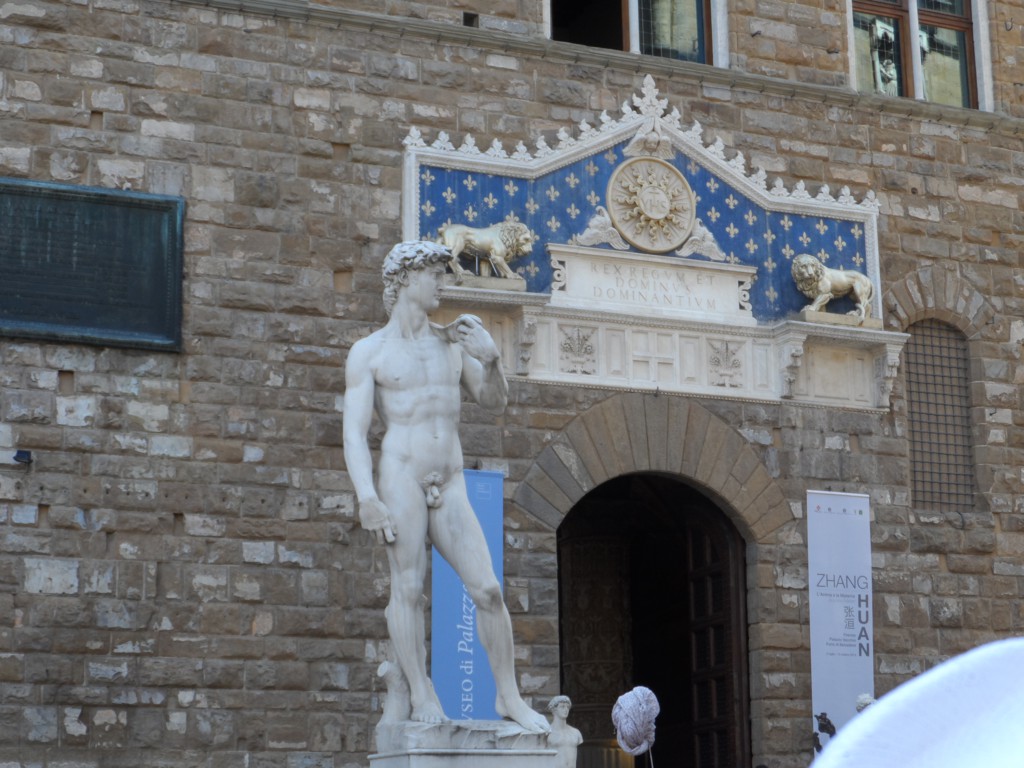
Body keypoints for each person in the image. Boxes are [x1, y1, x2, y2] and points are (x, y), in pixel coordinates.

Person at [343, 240, 549, 733]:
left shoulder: (453, 342)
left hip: (450, 479)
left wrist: (494, 360)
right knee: (409, 589)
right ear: (407, 279)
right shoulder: (369, 352)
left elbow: (494, 403)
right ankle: (421, 691)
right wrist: (367, 497)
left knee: (489, 590)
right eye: (435, 274)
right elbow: (353, 432)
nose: (444, 283)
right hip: (401, 476)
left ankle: (508, 696)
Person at [547, 695, 583, 768]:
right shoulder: (547, 733)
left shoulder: (576, 733)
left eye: (567, 707)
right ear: (554, 709)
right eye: (562, 707)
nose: (566, 709)